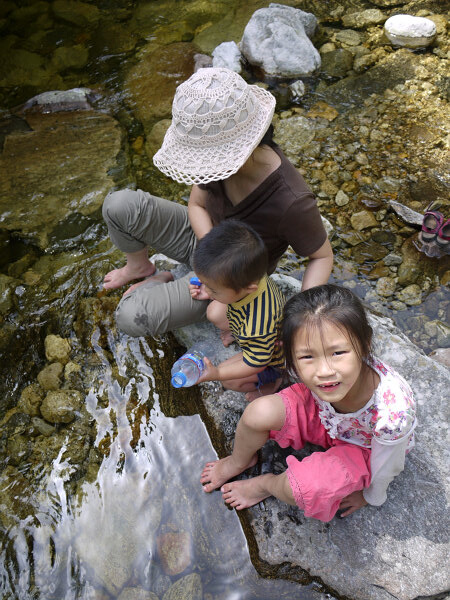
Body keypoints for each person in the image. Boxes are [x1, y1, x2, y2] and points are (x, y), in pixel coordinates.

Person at [101, 67, 333, 338]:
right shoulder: (214, 154)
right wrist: (209, 250)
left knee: (130, 317)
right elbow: (197, 205)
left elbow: (322, 256)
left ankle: (161, 281)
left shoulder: (291, 200)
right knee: (118, 205)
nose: (201, 167)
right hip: (205, 241)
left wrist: (303, 316)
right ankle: (139, 267)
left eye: (207, 160)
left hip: (232, 274)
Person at [200, 284, 417, 521]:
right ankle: (238, 461)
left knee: (302, 488)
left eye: (338, 353)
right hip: (322, 413)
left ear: (365, 345)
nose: (324, 371)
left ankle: (265, 484)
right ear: (290, 357)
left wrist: (371, 495)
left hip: (363, 446)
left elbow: (389, 464)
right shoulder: (316, 373)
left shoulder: (394, 415)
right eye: (307, 356)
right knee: (257, 413)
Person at [189, 219, 285, 399]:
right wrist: (212, 289)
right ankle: (238, 333)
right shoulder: (252, 270)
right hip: (254, 331)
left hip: (273, 358)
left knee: (229, 381)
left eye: (213, 288)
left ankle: (276, 384)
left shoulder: (258, 326)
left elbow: (256, 362)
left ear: (249, 288)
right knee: (214, 312)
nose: (207, 290)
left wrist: (217, 374)